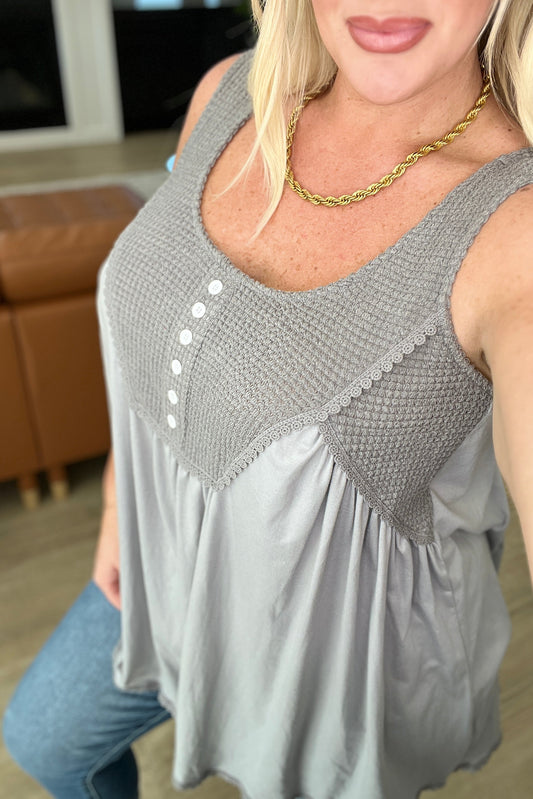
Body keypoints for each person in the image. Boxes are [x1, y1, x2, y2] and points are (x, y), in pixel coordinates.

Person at [3, 1, 533, 797]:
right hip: (162, 562)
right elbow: (161, 329)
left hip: (334, 663)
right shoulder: (227, 92)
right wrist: (118, 501)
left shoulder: (514, 229)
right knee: (46, 739)